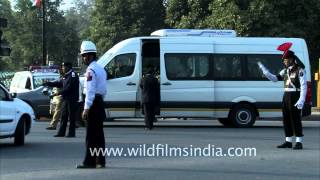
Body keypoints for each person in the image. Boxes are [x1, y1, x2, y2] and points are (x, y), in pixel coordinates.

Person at [257, 44, 307, 150]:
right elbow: (275, 79)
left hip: (295, 95)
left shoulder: (300, 70)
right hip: (286, 95)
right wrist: (266, 73)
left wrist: (301, 99)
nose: (284, 61)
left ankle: (299, 142)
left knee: (295, 119)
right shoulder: (285, 71)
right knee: (286, 119)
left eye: (285, 59)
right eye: (284, 60)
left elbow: (304, 86)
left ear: (292, 60)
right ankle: (288, 141)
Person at [77, 40, 107, 169]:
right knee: (99, 135)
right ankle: (100, 160)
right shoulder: (101, 69)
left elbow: (90, 91)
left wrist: (86, 108)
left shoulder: (90, 70)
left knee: (90, 136)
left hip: (93, 104)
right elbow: (103, 90)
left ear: (89, 56)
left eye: (84, 56)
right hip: (100, 102)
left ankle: (89, 162)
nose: (83, 58)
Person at [43, 62, 79, 137]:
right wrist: (48, 83)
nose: (62, 68)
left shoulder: (73, 75)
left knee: (71, 117)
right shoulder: (66, 76)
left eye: (63, 66)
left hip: (71, 99)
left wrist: (56, 94)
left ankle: (71, 133)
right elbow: (59, 83)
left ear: (68, 67)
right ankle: (61, 133)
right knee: (63, 116)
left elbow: (68, 88)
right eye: (62, 66)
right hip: (65, 99)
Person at [140, 66, 160, 130]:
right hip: (153, 98)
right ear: (152, 73)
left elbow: (141, 86)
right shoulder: (155, 79)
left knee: (147, 113)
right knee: (151, 113)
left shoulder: (143, 79)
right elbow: (157, 89)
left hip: (145, 98)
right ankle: (151, 125)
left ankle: (147, 126)